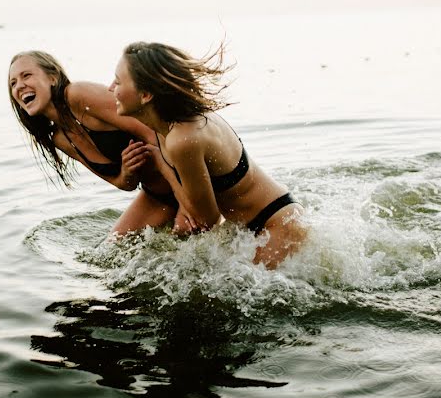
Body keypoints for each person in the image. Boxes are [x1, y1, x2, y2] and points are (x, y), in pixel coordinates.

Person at [109, 42, 308, 269]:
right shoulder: (168, 124)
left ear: (145, 95)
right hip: (253, 226)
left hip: (276, 224)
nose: (110, 88)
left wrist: (161, 165)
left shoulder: (183, 139)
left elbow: (207, 221)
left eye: (118, 81)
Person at [9, 51, 178, 235]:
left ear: (52, 78)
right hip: (158, 195)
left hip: (187, 177)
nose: (19, 86)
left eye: (26, 75)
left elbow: (157, 135)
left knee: (185, 232)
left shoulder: (78, 94)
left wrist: (187, 203)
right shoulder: (60, 139)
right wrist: (127, 171)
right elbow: (123, 184)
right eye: (13, 83)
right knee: (112, 249)